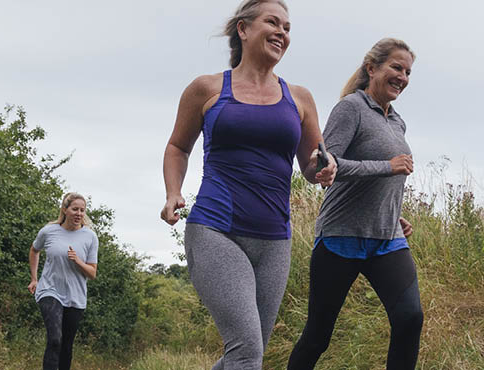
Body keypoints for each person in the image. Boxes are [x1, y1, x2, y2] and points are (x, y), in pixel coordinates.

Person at [159, 1, 336, 369]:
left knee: (245, 352)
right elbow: (177, 146)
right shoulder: (206, 88)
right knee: (247, 349)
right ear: (243, 29)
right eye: (272, 22)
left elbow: (310, 162)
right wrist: (173, 192)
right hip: (215, 230)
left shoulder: (299, 98)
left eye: (287, 28)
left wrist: (324, 167)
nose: (282, 33)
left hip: (275, 239)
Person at [287, 38, 423, 370]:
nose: (402, 77)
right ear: (371, 68)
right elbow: (327, 165)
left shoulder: (397, 121)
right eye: (396, 67)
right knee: (318, 336)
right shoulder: (351, 108)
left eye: (407, 71)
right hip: (341, 237)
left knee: (409, 319)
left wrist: (394, 212)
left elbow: (380, 182)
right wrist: (387, 166)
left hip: (387, 238)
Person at [28, 192, 99, 370]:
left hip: (76, 296)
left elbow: (92, 273)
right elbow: (34, 250)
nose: (79, 214)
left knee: (66, 345)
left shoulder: (90, 237)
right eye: (75, 209)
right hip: (49, 290)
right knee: (54, 339)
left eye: (82, 210)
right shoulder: (48, 231)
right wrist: (34, 278)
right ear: (64, 209)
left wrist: (78, 261)